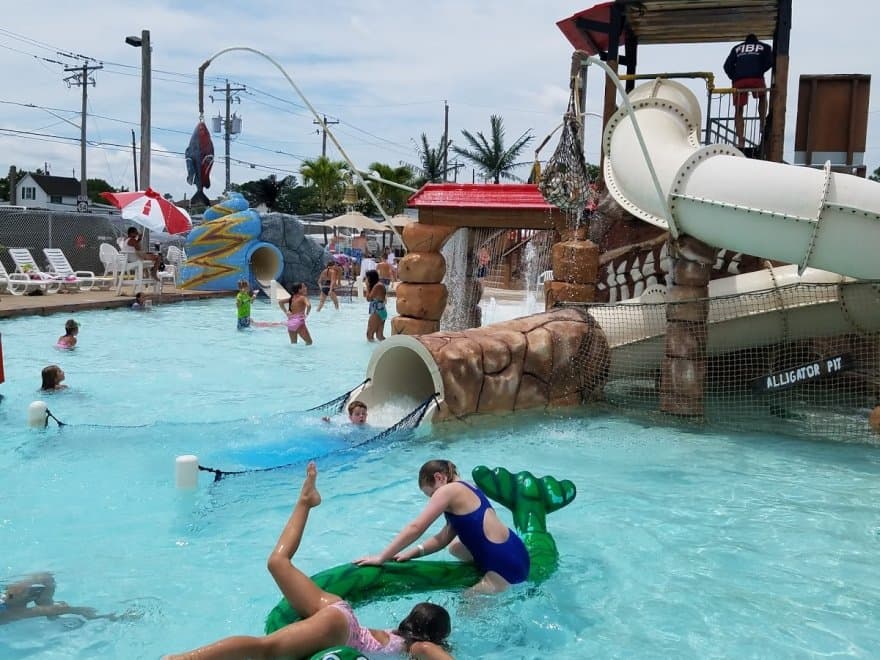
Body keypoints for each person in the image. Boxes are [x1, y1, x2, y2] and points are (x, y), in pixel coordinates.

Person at [165, 462, 453, 660]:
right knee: (266, 650)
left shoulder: (395, 635)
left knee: (278, 562)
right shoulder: (417, 648)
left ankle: (306, 501)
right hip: (339, 630)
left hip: (338, 609)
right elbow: (435, 655)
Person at [356, 459, 529, 594]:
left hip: (505, 566)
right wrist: (410, 554)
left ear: (439, 478)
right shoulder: (468, 487)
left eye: (430, 494)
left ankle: (495, 580)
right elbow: (443, 539)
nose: (432, 499)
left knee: (467, 605)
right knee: (455, 547)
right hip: (517, 552)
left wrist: (381, 557)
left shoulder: (448, 491)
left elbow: (416, 527)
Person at [723, 33, 773, 149]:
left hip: (739, 82)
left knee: (739, 110)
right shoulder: (765, 47)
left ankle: (740, 140)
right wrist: (759, 70)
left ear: (745, 41)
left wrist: (734, 76)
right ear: (756, 41)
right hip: (756, 79)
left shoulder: (736, 48)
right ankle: (762, 122)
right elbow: (770, 62)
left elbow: (726, 66)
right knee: (762, 96)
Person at [0, 572, 108, 624]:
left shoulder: (11, 595)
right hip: (5, 614)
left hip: (8, 603)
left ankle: (47, 605)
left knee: (45, 577)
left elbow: (44, 578)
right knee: (57, 609)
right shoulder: (9, 611)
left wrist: (46, 600)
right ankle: (104, 618)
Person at [364, 270, 387, 342]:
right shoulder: (378, 285)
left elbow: (369, 298)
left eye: (367, 278)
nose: (366, 279)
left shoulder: (378, 285)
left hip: (377, 312)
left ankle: (370, 352)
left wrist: (367, 286)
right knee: (379, 336)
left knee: (369, 335)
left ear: (371, 278)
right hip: (381, 311)